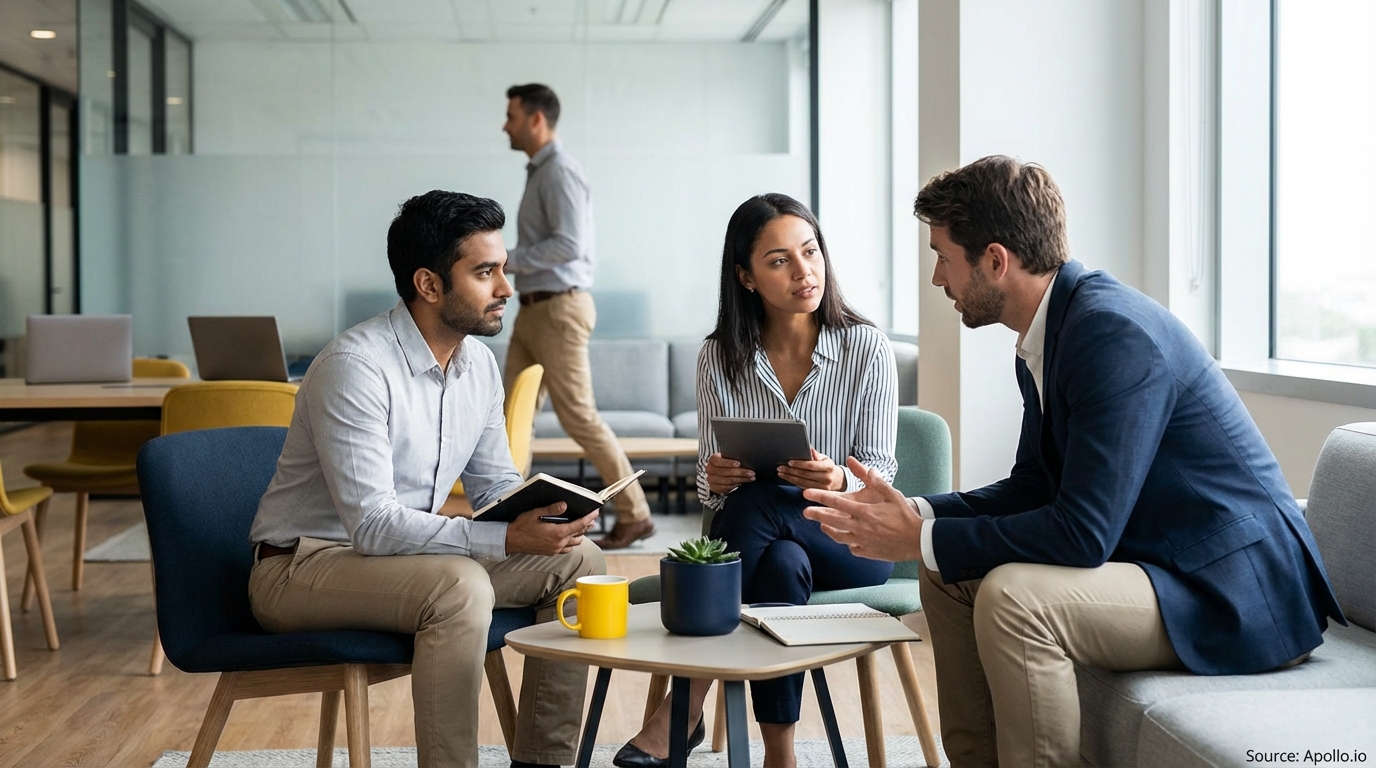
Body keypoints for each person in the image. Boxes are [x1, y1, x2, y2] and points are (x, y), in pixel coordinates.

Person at [802, 155, 1346, 767]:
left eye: (943, 256)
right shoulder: (1048, 335)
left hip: (1233, 591)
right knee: (944, 573)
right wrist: (916, 513)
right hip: (1166, 566)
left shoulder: (1111, 334)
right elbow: (1034, 485)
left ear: (996, 260)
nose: (936, 279)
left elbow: (1083, 534)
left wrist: (923, 536)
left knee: (1013, 596)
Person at [248, 190, 606, 768]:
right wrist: (504, 539)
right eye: (485, 273)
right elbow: (372, 526)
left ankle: (543, 761)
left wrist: (548, 513)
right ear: (430, 284)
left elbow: (494, 489)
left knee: (579, 563)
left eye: (503, 270)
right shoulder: (356, 368)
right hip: (302, 567)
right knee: (457, 586)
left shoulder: (478, 365)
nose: (506, 290)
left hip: (400, 561)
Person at [613, 193, 899, 768]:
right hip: (766, 542)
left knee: (765, 501)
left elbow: (880, 476)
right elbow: (706, 483)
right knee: (780, 565)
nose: (804, 271)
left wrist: (836, 476)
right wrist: (716, 476)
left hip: (853, 539)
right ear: (745, 276)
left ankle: (685, 702)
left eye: (810, 252)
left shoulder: (866, 348)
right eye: (779, 260)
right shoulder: (719, 356)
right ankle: (779, 755)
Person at [500, 82, 654, 549]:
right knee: (509, 415)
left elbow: (570, 244)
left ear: (536, 119)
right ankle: (508, 512)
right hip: (533, 309)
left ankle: (635, 512)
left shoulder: (559, 171)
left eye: (511, 115)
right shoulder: (539, 172)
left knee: (580, 417)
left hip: (558, 307)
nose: (504, 124)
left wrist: (506, 259)